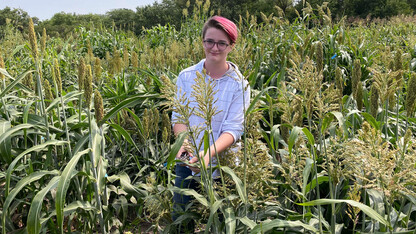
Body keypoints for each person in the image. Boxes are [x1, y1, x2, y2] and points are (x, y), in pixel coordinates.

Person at [171, 15, 250, 224]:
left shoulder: (240, 84)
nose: (215, 47)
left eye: (222, 43)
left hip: (224, 167)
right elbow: (179, 117)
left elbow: (234, 129)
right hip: (187, 162)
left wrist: (207, 156)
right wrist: (185, 147)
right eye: (210, 41)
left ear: (231, 46)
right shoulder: (186, 76)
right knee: (181, 220)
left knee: (222, 223)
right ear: (202, 42)